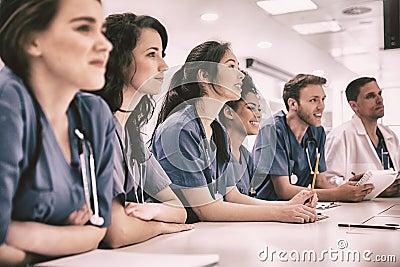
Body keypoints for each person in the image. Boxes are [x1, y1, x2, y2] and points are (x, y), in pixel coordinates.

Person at [152, 41, 318, 224]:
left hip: (205, 233)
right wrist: (280, 214)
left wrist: (287, 206)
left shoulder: (217, 130)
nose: (240, 74)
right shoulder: (179, 128)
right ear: (204, 75)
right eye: (231, 66)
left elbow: (232, 196)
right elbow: (206, 209)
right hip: (175, 238)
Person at [0, 0, 114, 266]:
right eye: (84, 28)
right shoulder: (8, 102)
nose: (105, 45)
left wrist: (18, 233)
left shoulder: (95, 114)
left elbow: (98, 230)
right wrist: (65, 237)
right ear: (32, 41)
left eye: (102, 30)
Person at [95, 13, 191, 249]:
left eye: (162, 54)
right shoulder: (98, 124)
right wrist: (160, 226)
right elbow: (118, 233)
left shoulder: (132, 135)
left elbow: (180, 210)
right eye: (151, 54)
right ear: (120, 60)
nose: (164, 66)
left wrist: (152, 209)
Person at [253, 74, 374, 202]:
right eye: (313, 100)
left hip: (299, 207)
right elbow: (284, 190)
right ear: (293, 103)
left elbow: (320, 181)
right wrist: (338, 194)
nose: (321, 106)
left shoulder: (317, 131)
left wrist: (349, 190)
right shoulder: (272, 130)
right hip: (268, 211)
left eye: (323, 99)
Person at [325, 77, 400, 197]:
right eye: (370, 96)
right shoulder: (341, 135)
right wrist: (377, 189)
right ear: (354, 106)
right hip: (360, 211)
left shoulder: (389, 135)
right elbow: (329, 182)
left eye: (379, 94)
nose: (379, 99)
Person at [218, 71, 261, 195]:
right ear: (229, 112)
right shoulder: (217, 152)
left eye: (259, 109)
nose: (258, 114)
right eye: (251, 107)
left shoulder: (247, 157)